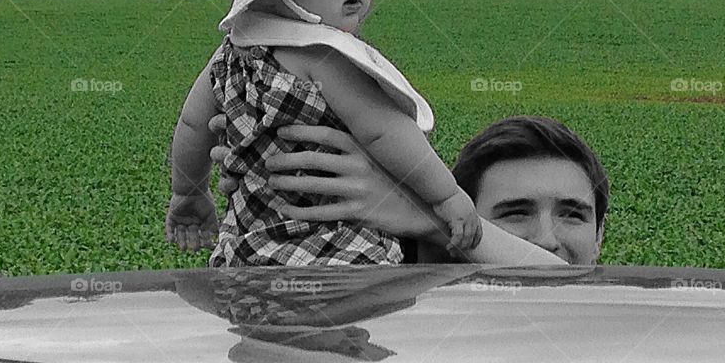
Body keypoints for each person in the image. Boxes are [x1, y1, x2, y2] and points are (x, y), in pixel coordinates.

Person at [165, 0, 481, 268]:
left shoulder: (229, 53)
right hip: (338, 250)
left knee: (260, 330)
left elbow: (192, 126)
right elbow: (385, 132)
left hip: (249, 250)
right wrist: (446, 196)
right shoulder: (323, 55)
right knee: (348, 331)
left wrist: (188, 193)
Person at [172, 114, 609, 267]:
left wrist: (424, 213)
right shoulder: (412, 322)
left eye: (573, 214)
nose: (548, 239)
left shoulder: (627, 330)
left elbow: (548, 278)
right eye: (516, 213)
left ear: (600, 236)